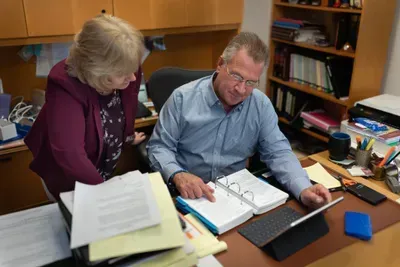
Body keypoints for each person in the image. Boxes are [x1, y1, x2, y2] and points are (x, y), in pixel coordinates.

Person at [147, 31, 332, 209]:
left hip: (235, 199)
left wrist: (304, 188)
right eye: (237, 76)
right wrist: (179, 175)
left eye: (251, 82)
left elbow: (278, 152)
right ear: (220, 64)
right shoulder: (182, 99)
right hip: (186, 195)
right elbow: (159, 147)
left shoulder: (260, 105)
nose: (241, 89)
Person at [25, 15, 146, 201]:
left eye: (133, 69)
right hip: (68, 176)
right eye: (123, 73)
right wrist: (105, 197)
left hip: (101, 168)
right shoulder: (65, 85)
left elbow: (126, 106)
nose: (132, 78)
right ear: (97, 70)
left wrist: (127, 136)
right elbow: (70, 155)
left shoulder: (126, 67)